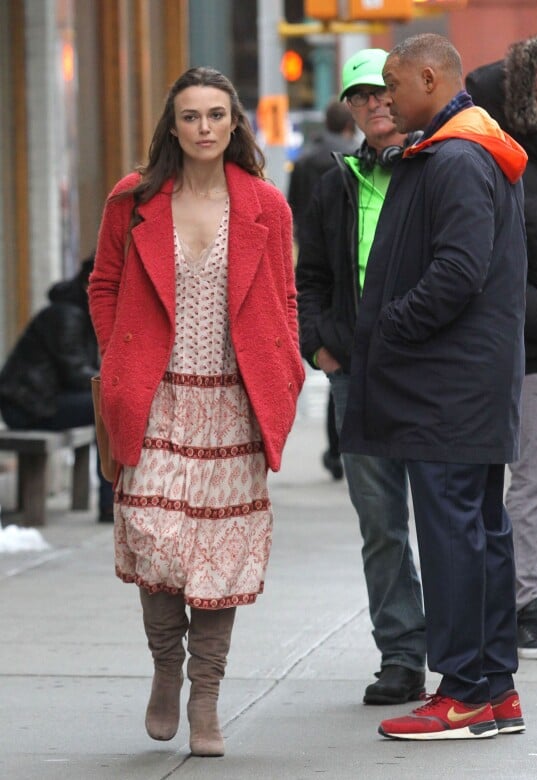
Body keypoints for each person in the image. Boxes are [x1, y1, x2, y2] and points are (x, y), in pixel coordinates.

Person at [88, 66, 304, 757]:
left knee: (218, 557)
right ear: (172, 126)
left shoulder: (267, 204)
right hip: (155, 397)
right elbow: (104, 284)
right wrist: (117, 358)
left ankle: (205, 697)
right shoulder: (135, 198)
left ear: (235, 122)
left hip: (236, 403)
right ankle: (166, 666)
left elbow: (285, 297)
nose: (205, 128)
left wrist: (288, 368)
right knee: (153, 535)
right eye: (191, 116)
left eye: (217, 115)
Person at [341, 33, 528, 740]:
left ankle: (464, 691)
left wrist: (389, 324)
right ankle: (494, 687)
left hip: (447, 387)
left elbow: (456, 270)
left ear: (429, 76)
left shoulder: (454, 157)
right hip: (468, 386)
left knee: (455, 535)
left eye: (394, 84)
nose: (386, 98)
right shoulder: (470, 150)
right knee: (479, 532)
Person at [296, 48, 427, 706]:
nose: (374, 104)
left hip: (432, 377)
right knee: (381, 523)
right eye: (360, 97)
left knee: (444, 519)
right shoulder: (334, 182)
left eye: (382, 91)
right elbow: (310, 276)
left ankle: (459, 651)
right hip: (358, 376)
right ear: (348, 110)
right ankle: (402, 654)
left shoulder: (438, 167)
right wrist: (317, 344)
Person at [467, 38, 537, 660]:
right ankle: (522, 605)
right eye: (536, 93)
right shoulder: (507, 167)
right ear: (514, 104)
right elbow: (500, 265)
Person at [0, 255, 114, 523]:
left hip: (44, 400)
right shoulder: (66, 315)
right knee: (107, 405)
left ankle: (111, 502)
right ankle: (110, 505)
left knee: (108, 402)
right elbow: (75, 373)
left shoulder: (80, 313)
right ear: (91, 284)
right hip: (27, 406)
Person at [289, 99, 357, 482]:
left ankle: (335, 449)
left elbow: (294, 207)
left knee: (338, 361)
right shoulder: (353, 159)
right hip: (344, 261)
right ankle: (344, 448)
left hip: (312, 252)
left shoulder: (305, 160)